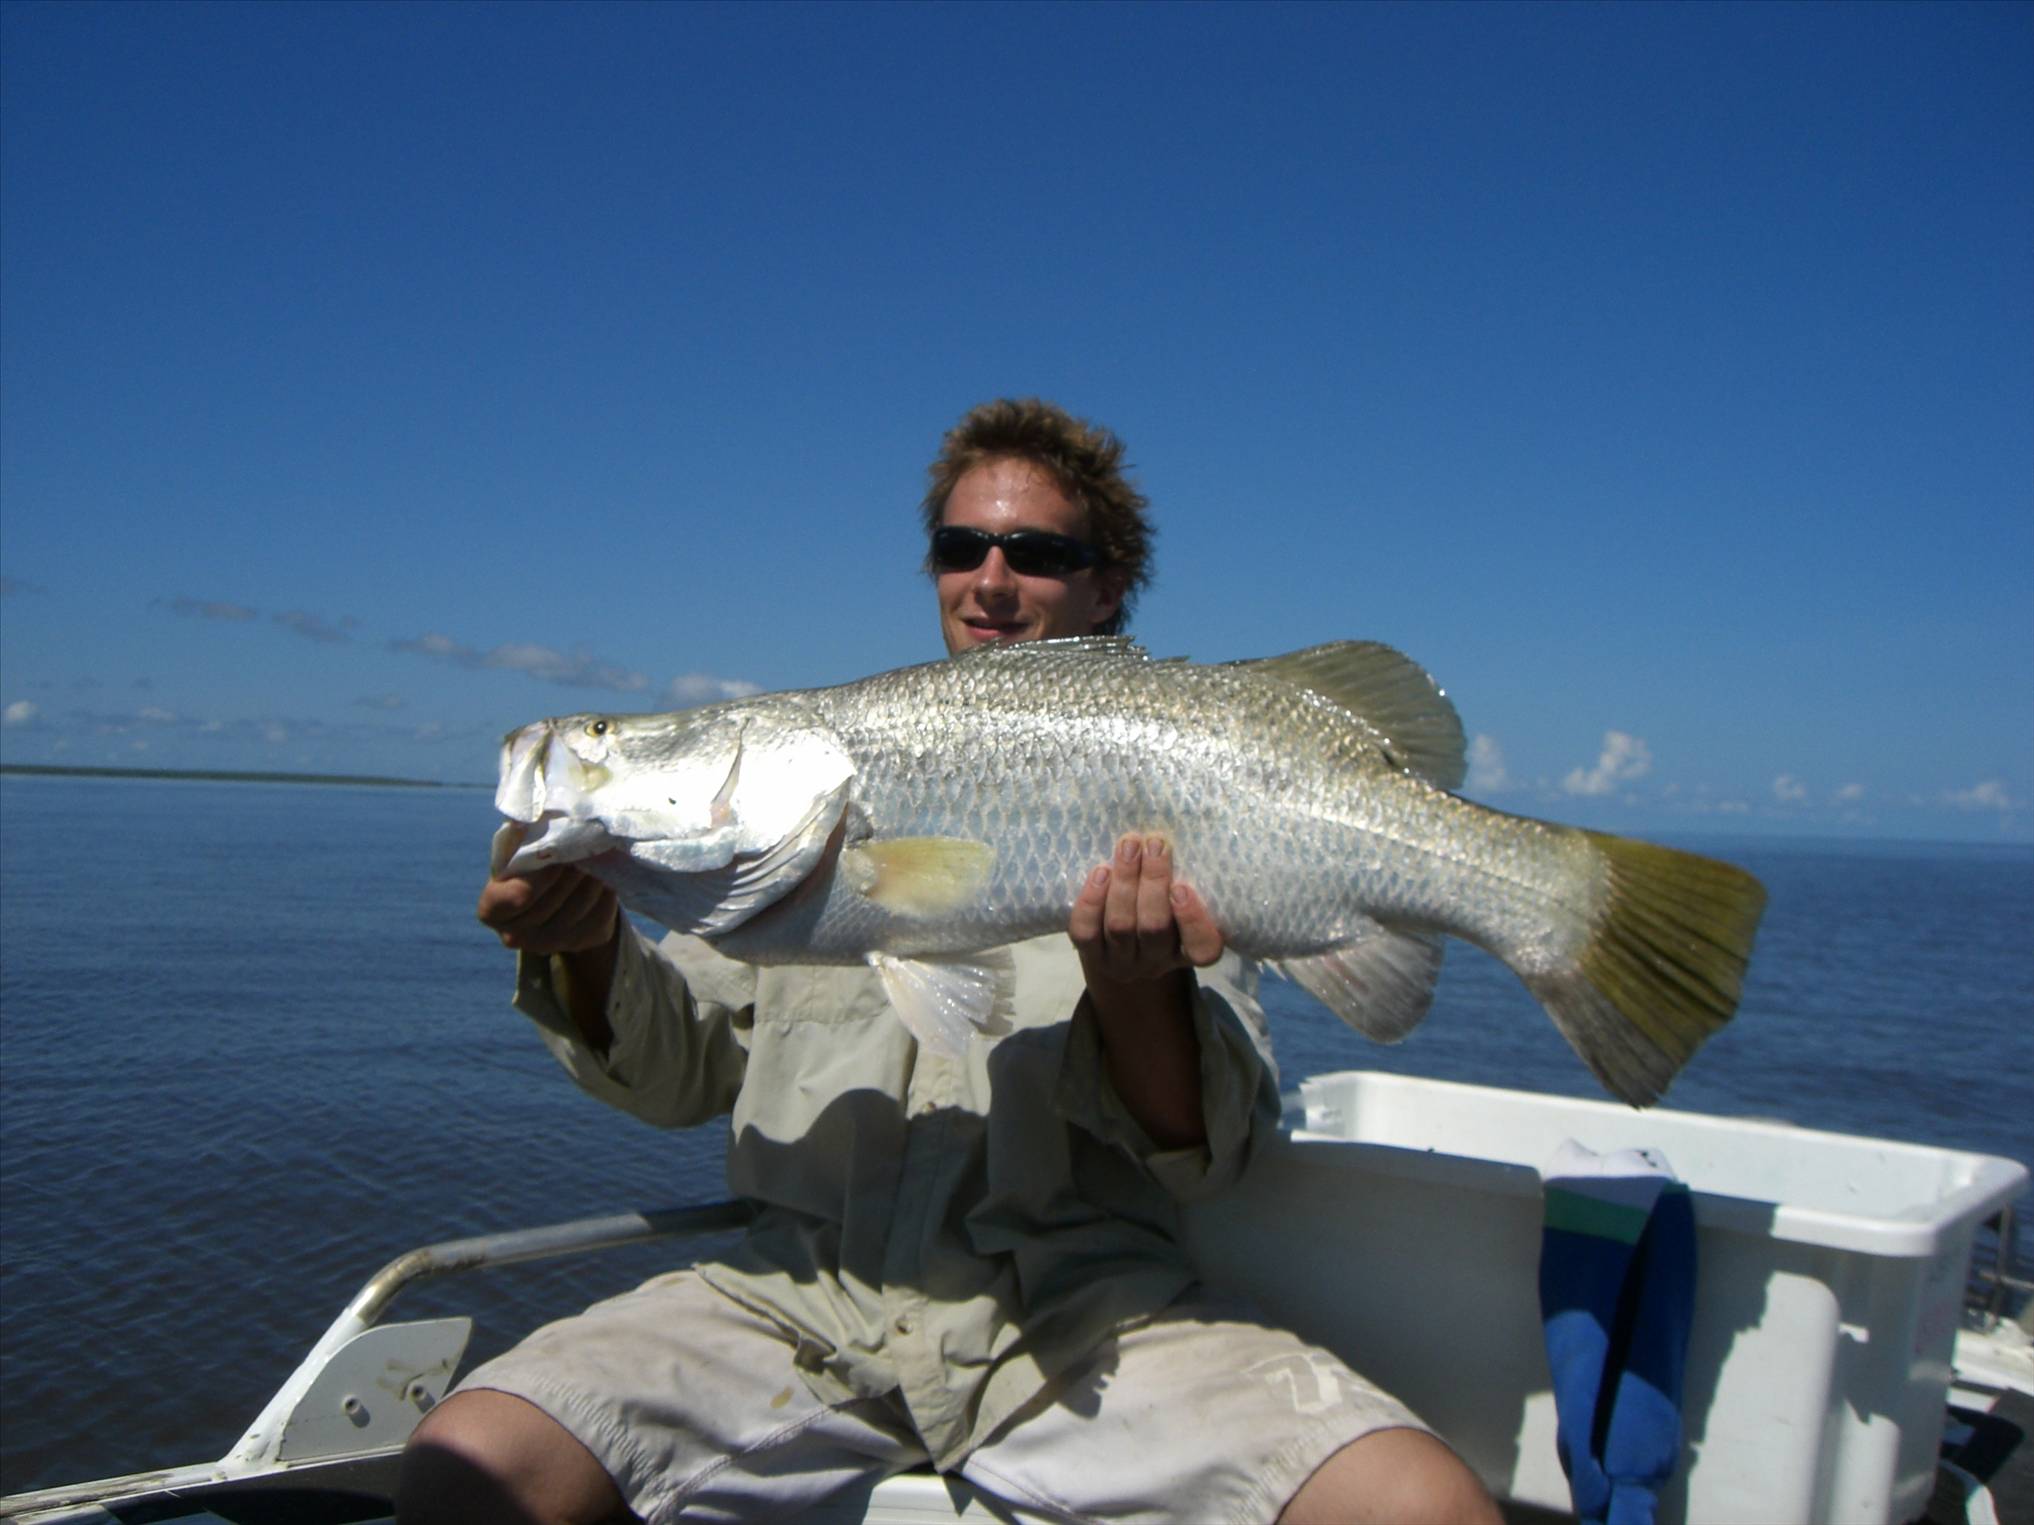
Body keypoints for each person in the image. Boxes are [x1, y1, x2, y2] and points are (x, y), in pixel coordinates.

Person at [399, 400, 1498, 1525]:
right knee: (468, 1466)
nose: (991, 579)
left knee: (1424, 1510)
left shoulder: (1167, 777)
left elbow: (1201, 1158)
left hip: (1080, 1319)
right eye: (961, 546)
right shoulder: (785, 842)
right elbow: (674, 1075)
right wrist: (589, 946)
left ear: (1109, 587)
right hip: (799, 1298)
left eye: (1037, 552)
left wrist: (1138, 990)